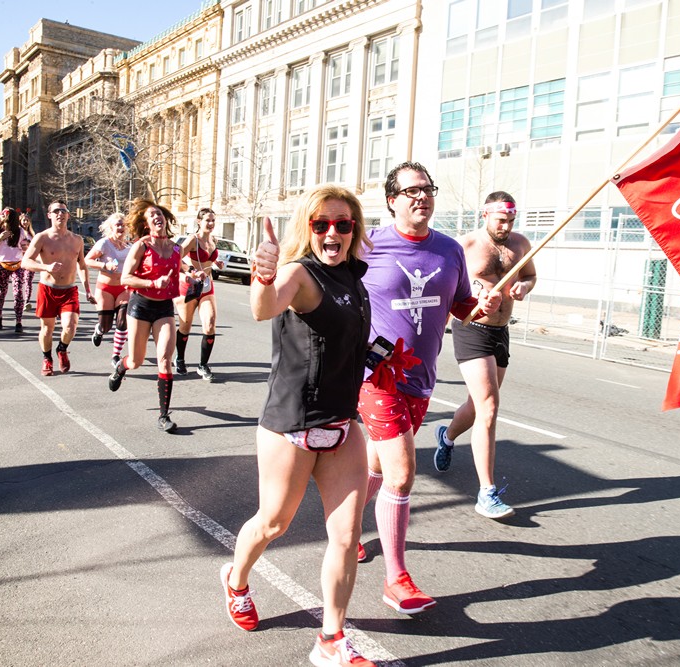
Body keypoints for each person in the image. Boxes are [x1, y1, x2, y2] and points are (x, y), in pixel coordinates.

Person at [221, 185, 377, 667]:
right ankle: (236, 580)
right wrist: (262, 276)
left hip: (342, 425)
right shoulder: (299, 274)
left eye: (343, 224)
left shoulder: (354, 276)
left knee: (348, 536)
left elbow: (344, 339)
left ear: (354, 229)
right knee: (274, 522)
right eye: (321, 224)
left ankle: (332, 639)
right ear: (307, 228)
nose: (333, 232)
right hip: (291, 425)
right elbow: (264, 307)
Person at [356, 162, 501, 614]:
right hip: (376, 375)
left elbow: (461, 309)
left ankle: (345, 526)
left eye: (428, 189)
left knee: (378, 466)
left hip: (421, 379)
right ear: (392, 200)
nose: (422, 197)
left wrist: (484, 306)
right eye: (412, 190)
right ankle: (396, 577)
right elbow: (330, 292)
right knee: (401, 472)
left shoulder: (449, 251)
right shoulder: (368, 246)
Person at [433, 191, 537, 520]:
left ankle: (446, 437)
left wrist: (524, 287)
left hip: (501, 331)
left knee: (478, 406)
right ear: (485, 215)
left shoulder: (520, 244)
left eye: (510, 220)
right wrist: (476, 293)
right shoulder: (464, 247)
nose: (506, 226)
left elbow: (531, 275)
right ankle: (487, 492)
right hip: (471, 328)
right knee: (490, 408)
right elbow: (447, 286)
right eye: (500, 219)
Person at [107, 199, 203, 433]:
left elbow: (179, 270)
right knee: (137, 361)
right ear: (146, 223)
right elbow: (125, 278)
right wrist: (152, 282)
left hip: (164, 309)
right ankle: (122, 366)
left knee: (164, 360)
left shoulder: (176, 247)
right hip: (140, 306)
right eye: (151, 215)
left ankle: (164, 415)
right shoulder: (141, 246)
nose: (156, 217)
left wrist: (190, 277)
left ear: (165, 219)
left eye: (159, 213)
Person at [21, 201, 95, 376]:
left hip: (69, 289)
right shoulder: (42, 237)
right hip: (48, 288)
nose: (60, 214)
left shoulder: (77, 240)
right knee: (47, 329)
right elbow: (26, 262)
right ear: (49, 215)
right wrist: (45, 267)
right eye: (56, 211)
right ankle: (47, 358)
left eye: (63, 211)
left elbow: (82, 265)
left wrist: (88, 289)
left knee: (70, 326)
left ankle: (62, 349)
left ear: (68, 215)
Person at [174, 207, 225, 381]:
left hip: (207, 286)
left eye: (213, 220)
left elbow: (209, 259)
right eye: (207, 220)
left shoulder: (214, 240)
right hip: (190, 286)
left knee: (210, 323)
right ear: (199, 222)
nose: (211, 224)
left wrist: (216, 262)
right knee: (185, 326)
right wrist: (190, 270)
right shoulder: (192, 240)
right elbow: (176, 257)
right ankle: (180, 358)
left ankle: (203, 365)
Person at [84, 212, 131, 368]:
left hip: (124, 288)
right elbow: (87, 260)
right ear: (111, 227)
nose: (120, 227)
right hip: (105, 288)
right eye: (117, 224)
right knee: (106, 326)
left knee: (123, 321)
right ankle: (99, 330)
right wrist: (105, 265)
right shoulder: (104, 243)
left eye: (123, 224)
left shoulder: (129, 247)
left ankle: (116, 355)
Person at [0, 207, 30, 333]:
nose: (5, 223)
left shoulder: (20, 231)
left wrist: (25, 247)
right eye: (4, 219)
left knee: (18, 293)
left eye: (8, 220)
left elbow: (25, 247)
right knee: (1, 293)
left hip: (17, 264)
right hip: (1, 264)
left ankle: (18, 321)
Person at [18, 211, 36, 312]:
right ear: (20, 221)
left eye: (27, 220)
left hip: (29, 260)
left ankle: (27, 301)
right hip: (19, 260)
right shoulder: (18, 232)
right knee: (20, 281)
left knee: (28, 281)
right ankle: (20, 300)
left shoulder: (32, 234)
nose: (25, 222)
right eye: (24, 220)